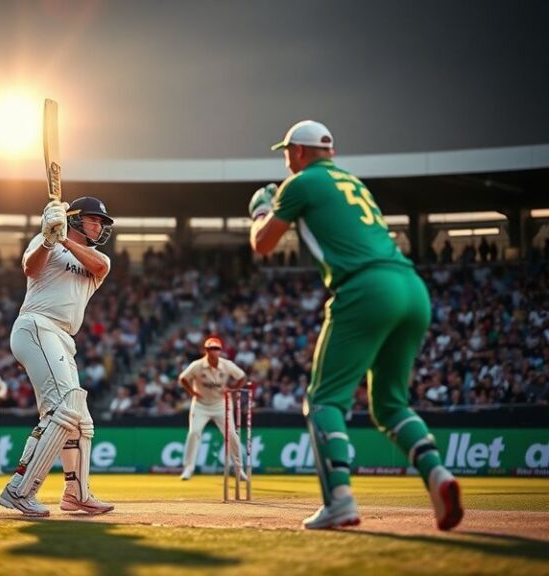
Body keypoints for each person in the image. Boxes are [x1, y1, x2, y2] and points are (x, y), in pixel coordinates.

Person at [248, 120, 463, 531]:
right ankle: (438, 474)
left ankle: (340, 500)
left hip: (365, 288)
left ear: (298, 152)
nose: (286, 159)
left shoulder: (301, 183)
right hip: (412, 288)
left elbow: (263, 244)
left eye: (287, 152)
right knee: (390, 404)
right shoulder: (354, 182)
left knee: (325, 400)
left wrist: (261, 209)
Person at [0, 196, 115, 517]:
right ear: (76, 218)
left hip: (63, 338)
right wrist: (49, 239)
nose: (99, 226)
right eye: (94, 220)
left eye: (102, 222)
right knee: (61, 411)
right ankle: (20, 491)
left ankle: (76, 494)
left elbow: (100, 266)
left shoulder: (96, 257)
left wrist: (61, 237)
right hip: (37, 325)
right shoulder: (44, 241)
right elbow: (30, 268)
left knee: (81, 421)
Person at [178, 337, 247, 481]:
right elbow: (183, 378)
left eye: (216, 349)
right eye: (210, 349)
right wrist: (191, 392)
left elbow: (242, 377)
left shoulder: (227, 365)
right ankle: (188, 468)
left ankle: (239, 470)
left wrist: (233, 389)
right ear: (205, 350)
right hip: (200, 405)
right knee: (194, 433)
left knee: (232, 435)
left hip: (221, 404)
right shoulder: (197, 365)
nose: (213, 352)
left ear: (220, 351)